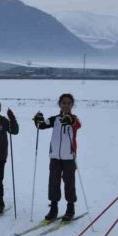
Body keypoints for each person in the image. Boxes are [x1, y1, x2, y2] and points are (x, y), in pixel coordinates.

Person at [33, 93, 82, 222]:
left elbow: (77, 125)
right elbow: (42, 125)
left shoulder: (74, 119)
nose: (66, 105)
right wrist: (38, 120)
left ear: (72, 105)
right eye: (63, 103)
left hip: (69, 157)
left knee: (69, 183)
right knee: (53, 182)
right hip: (55, 157)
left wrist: (70, 120)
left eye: (69, 103)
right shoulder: (54, 119)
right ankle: (53, 208)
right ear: (59, 104)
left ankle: (70, 208)